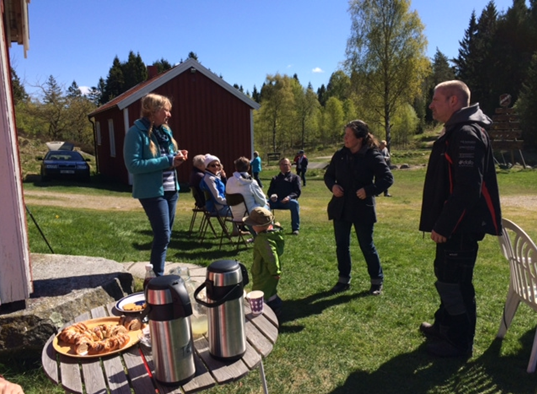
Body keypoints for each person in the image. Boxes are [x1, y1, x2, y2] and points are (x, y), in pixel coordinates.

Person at [419, 80, 502, 358]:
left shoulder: (466, 133)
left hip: (460, 228)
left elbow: (468, 188)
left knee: (456, 282)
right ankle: (445, 326)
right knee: (445, 275)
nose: (431, 104)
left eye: (436, 99)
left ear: (454, 101)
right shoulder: (457, 130)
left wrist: (444, 225)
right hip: (454, 226)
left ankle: (459, 342)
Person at [324, 120, 393, 295]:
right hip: (341, 207)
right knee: (341, 245)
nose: (345, 138)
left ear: (359, 138)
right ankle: (343, 279)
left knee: (366, 245)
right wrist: (333, 186)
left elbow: (387, 178)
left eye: (348, 135)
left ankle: (377, 281)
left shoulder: (372, 155)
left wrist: (369, 190)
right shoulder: (340, 155)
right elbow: (329, 176)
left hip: (362, 208)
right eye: (345, 134)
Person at [123, 93, 187, 277]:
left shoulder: (164, 131)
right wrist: (168, 160)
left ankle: (156, 274)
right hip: (151, 192)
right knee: (163, 235)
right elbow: (133, 165)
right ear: (153, 111)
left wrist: (178, 157)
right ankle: (156, 277)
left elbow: (167, 159)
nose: (169, 115)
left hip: (170, 190)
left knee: (165, 236)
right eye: (166, 110)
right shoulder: (135, 133)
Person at [243, 207, 284, 316]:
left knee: (260, 292)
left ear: (258, 226)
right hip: (267, 271)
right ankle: (276, 306)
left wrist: (275, 271)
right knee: (270, 291)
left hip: (264, 272)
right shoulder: (270, 235)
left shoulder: (263, 240)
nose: (252, 226)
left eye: (253, 224)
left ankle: (267, 313)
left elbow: (271, 256)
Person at [226, 156, 270, 222]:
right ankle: (267, 229)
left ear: (236, 168)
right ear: (249, 168)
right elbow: (262, 201)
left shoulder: (229, 181)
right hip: (250, 215)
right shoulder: (251, 182)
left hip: (234, 214)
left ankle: (236, 230)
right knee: (267, 206)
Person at [267, 158, 301, 235]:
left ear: (290, 165)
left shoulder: (295, 178)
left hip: (288, 201)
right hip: (275, 201)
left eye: (286, 164)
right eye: (282, 164)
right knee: (265, 203)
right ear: (279, 166)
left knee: (295, 204)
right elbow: (269, 192)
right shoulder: (275, 178)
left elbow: (297, 192)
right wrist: (272, 196)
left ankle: (295, 229)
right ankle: (269, 227)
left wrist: (288, 197)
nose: (284, 166)